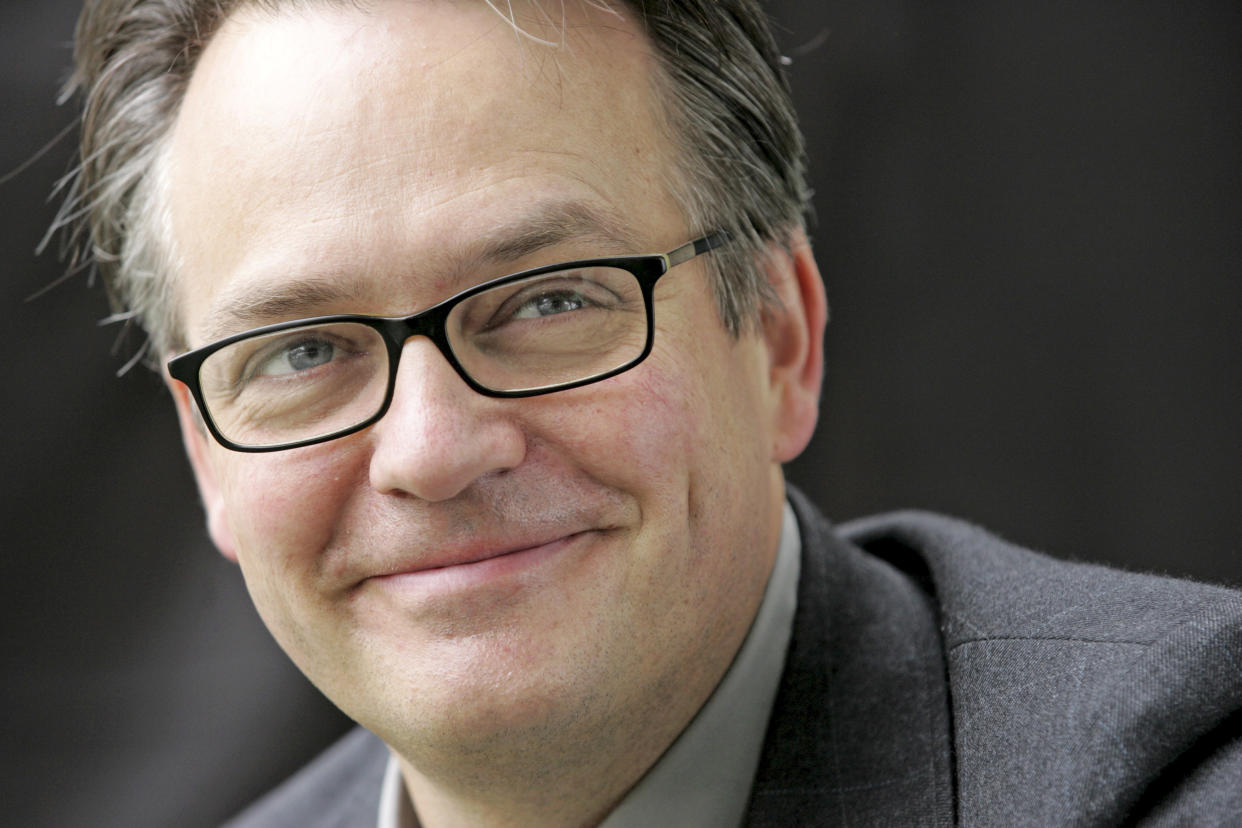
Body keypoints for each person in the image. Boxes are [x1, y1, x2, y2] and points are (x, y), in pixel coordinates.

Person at [58, 0, 1242, 825]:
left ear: (780, 335)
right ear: (207, 456)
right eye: (304, 349)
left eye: (547, 300)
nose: (431, 450)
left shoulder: (1179, 779)